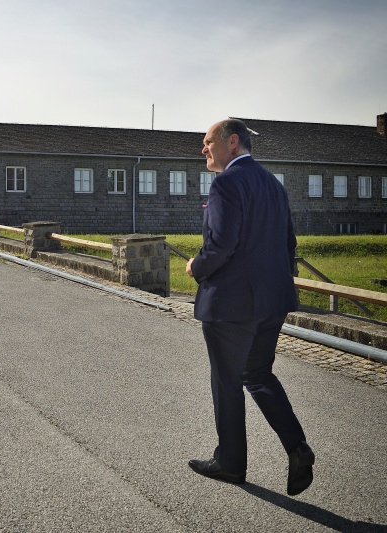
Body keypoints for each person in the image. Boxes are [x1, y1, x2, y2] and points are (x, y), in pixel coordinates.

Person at [186, 118, 314, 496]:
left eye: (208, 142)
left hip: (231, 305)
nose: (203, 149)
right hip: (272, 301)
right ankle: (297, 447)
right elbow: (288, 245)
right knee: (258, 374)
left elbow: (221, 245)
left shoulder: (226, 182)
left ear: (233, 142)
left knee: (228, 381)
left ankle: (230, 463)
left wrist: (196, 267)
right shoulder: (274, 184)